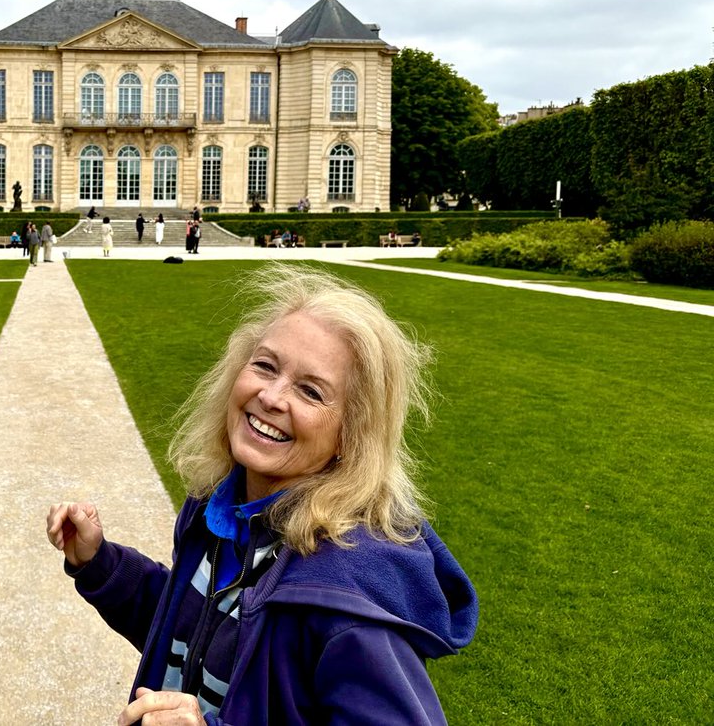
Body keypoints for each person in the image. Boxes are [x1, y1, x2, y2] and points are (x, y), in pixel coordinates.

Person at [47, 265, 477, 724]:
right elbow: (192, 628)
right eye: (265, 366)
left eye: (311, 392)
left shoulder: (348, 593)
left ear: (353, 434)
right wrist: (101, 563)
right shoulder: (220, 508)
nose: (272, 396)